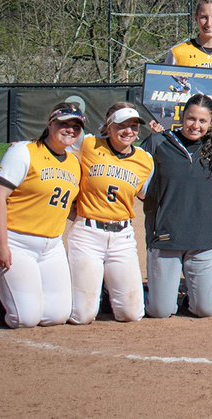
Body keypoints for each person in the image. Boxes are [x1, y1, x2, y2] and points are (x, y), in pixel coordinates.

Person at [0, 103, 84, 328]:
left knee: (55, 316)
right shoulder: (24, 151)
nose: (70, 130)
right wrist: (1, 244)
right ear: (50, 124)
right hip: (16, 241)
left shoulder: (74, 162)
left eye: (76, 126)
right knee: (23, 319)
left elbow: (64, 204)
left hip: (52, 247)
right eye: (64, 123)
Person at [65, 103, 154, 324]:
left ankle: (105, 291)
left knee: (132, 314)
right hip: (88, 233)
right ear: (109, 126)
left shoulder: (145, 160)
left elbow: (143, 194)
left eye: (133, 126)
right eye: (122, 125)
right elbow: (59, 152)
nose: (128, 131)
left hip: (122, 237)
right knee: (82, 315)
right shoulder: (88, 144)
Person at [140, 94, 212, 318]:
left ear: (211, 122)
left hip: (203, 238)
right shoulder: (158, 142)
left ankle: (192, 296)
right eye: (190, 118)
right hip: (167, 236)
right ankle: (126, 290)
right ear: (182, 116)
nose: (195, 125)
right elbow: (141, 188)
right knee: (161, 311)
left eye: (202, 121)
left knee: (205, 310)